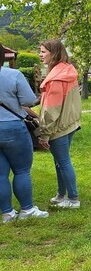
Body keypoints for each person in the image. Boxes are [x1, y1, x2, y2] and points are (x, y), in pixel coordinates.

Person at [0, 44, 49, 221]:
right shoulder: (13, 75)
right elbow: (29, 99)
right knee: (21, 170)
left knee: (0, 174)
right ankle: (27, 209)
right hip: (12, 126)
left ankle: (7, 213)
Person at [38, 39, 83, 209]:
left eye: (43, 51)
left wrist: (44, 134)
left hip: (58, 126)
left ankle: (73, 199)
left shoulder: (56, 78)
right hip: (69, 123)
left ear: (54, 53)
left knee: (63, 161)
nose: (40, 55)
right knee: (60, 161)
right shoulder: (67, 70)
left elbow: (51, 110)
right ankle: (61, 194)